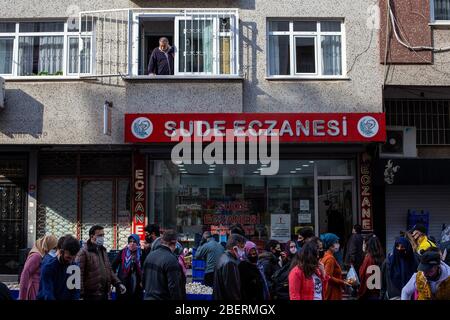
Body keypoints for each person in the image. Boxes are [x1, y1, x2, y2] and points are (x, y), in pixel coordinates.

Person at [76, 225, 125, 300]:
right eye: (100, 235)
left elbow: (109, 270)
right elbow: (79, 274)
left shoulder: (103, 250)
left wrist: (118, 283)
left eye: (103, 235)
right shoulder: (84, 252)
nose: (102, 238)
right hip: (90, 295)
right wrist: (80, 295)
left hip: (104, 294)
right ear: (92, 236)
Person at [143, 230, 185, 300]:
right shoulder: (172, 260)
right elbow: (174, 288)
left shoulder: (150, 256)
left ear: (162, 241)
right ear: (174, 242)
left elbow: (143, 280)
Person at [36, 236, 81, 300]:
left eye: (73, 258)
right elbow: (48, 293)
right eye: (68, 257)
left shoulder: (75, 266)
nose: (70, 261)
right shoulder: (48, 267)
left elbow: (76, 292)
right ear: (60, 252)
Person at [19, 235, 57, 300]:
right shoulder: (36, 256)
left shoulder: (43, 254)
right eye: (54, 248)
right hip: (34, 290)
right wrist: (22, 296)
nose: (55, 250)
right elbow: (25, 274)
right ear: (48, 245)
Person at [213, 234, 246, 300]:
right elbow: (232, 291)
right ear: (235, 248)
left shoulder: (222, 257)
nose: (243, 251)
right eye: (242, 247)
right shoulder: (230, 263)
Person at [111, 234, 143, 300]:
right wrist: (116, 282)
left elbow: (146, 269)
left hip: (137, 284)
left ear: (137, 242)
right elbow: (113, 267)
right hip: (123, 283)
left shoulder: (142, 253)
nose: (132, 243)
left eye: (134, 242)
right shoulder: (122, 252)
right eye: (130, 241)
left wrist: (143, 281)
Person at [320, 233, 348, 300]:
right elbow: (328, 277)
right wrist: (343, 282)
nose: (338, 245)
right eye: (336, 242)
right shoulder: (330, 258)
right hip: (332, 292)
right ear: (330, 245)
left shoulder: (324, 256)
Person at [358, 235, 384, 300]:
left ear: (368, 245)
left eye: (364, 243)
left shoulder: (368, 258)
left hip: (368, 292)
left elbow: (363, 275)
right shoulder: (381, 257)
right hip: (378, 291)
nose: (363, 245)